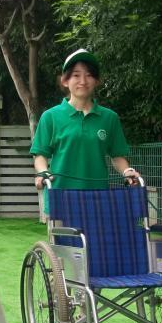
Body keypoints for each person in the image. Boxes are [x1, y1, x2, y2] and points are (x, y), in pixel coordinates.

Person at [30, 49, 139, 207]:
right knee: (63, 233)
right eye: (76, 75)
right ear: (65, 81)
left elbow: (117, 156)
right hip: (60, 198)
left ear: (96, 81)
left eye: (89, 75)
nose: (83, 81)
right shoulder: (50, 117)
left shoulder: (109, 118)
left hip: (98, 199)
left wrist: (127, 171)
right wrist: (43, 172)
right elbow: (40, 155)